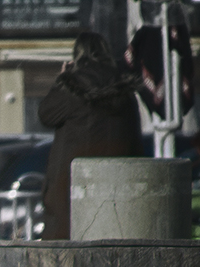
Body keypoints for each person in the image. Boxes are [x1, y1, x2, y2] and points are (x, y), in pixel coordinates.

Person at [39, 32, 142, 240]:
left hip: (70, 190)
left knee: (66, 256)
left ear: (78, 56)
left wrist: (61, 80)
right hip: (116, 193)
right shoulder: (126, 91)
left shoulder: (72, 86)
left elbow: (45, 114)